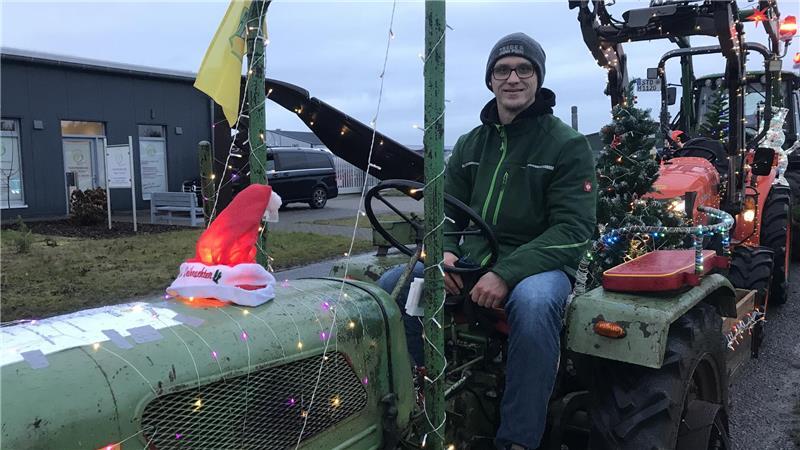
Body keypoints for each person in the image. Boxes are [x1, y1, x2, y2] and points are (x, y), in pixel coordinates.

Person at [378, 32, 597, 450]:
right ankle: (421, 400)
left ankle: (517, 438)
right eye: (502, 70)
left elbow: (572, 230)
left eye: (523, 69)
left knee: (533, 305)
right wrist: (444, 252)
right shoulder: (470, 145)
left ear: (538, 78)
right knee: (396, 285)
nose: (512, 78)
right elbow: (445, 210)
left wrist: (505, 273)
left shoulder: (566, 146)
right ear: (490, 80)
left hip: (539, 266)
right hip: (472, 260)